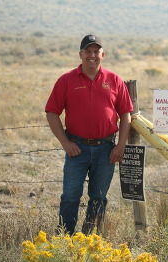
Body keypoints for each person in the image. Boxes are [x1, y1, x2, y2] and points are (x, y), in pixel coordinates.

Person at [45, 34, 133, 235]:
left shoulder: (114, 80)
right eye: (88, 51)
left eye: (96, 51)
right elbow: (52, 113)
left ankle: (89, 239)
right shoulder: (66, 80)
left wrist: (121, 147)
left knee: (99, 197)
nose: (92, 55)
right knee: (70, 196)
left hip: (106, 150)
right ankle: (64, 239)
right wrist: (65, 143)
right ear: (80, 54)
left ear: (103, 54)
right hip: (77, 149)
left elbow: (126, 114)